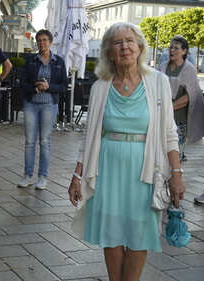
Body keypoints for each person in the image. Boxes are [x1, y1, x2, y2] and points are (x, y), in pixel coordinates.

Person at [67, 22, 186, 281]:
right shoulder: (101, 87)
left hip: (145, 168)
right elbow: (89, 136)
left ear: (140, 46)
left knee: (139, 233)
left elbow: (169, 133)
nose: (125, 47)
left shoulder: (158, 82)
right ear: (109, 52)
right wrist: (77, 175)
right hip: (107, 166)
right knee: (111, 233)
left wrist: (176, 173)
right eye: (118, 42)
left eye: (130, 41)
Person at [16, 29, 68, 190]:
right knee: (29, 141)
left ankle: (43, 177)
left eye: (45, 40)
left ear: (50, 42)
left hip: (49, 105)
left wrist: (49, 87)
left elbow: (64, 85)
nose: (42, 43)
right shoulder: (31, 60)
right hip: (31, 103)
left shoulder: (58, 61)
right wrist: (36, 88)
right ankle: (28, 175)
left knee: (45, 141)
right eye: (39, 40)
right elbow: (22, 82)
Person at [158, 35, 204, 161]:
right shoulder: (162, 68)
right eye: (171, 47)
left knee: (175, 152)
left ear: (184, 51)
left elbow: (190, 95)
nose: (172, 50)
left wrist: (169, 107)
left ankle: (175, 175)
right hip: (161, 115)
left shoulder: (189, 70)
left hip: (179, 118)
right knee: (160, 150)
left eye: (176, 48)